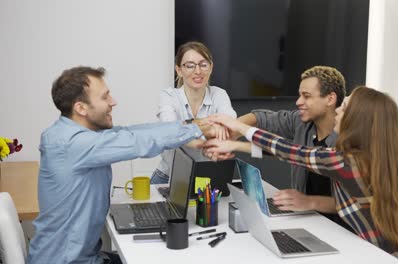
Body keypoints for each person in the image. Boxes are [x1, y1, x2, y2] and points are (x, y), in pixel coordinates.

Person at [203, 87, 398, 264]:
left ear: (358, 120)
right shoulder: (368, 157)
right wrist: (235, 145)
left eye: (345, 108)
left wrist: (239, 127)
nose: (339, 111)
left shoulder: (350, 162)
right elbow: (295, 155)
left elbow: (292, 152)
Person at [27, 66, 212, 264]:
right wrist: (195, 129)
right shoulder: (72, 144)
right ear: (81, 108)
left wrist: (190, 126)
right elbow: (136, 142)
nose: (113, 102)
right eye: (105, 97)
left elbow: (132, 132)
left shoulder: (77, 134)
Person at [230, 66, 348, 226]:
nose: (298, 102)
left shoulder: (351, 141)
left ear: (330, 99)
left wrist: (309, 201)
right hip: (307, 219)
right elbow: (262, 119)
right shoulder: (301, 122)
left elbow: (357, 203)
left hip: (344, 229)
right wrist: (234, 131)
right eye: (300, 95)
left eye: (306, 96)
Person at [150, 41, 236, 184]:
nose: (198, 71)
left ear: (211, 67)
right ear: (179, 70)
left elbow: (230, 125)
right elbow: (171, 131)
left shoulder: (219, 94)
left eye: (203, 65)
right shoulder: (168, 96)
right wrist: (210, 128)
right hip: (167, 178)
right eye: (190, 65)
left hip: (205, 178)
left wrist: (185, 129)